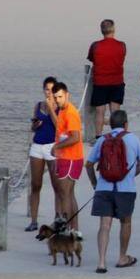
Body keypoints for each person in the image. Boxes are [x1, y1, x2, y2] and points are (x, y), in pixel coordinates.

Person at [85, 109, 140, 273]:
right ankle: (122, 257)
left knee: (104, 225)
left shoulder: (102, 140)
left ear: (110, 124)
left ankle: (101, 262)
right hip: (126, 189)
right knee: (125, 222)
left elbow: (89, 165)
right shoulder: (133, 139)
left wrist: (95, 184)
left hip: (104, 188)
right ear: (126, 124)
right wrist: (131, 176)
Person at [49, 81, 84, 235]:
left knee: (65, 194)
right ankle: (75, 230)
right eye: (56, 97)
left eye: (60, 97)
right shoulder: (61, 111)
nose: (58, 100)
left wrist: (56, 147)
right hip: (66, 157)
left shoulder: (70, 112)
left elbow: (75, 137)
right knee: (69, 194)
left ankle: (67, 230)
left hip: (71, 158)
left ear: (67, 95)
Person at [26, 76, 60, 232]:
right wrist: (35, 125)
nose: (49, 92)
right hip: (37, 145)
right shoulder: (38, 105)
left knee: (56, 185)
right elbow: (32, 128)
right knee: (36, 184)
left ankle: (57, 219)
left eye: (52, 90)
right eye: (47, 89)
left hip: (52, 146)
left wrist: (51, 108)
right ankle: (33, 220)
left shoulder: (60, 107)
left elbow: (59, 125)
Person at [87, 19, 126, 139]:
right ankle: (117, 136)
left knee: (100, 111)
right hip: (116, 81)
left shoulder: (95, 45)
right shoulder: (122, 45)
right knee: (115, 111)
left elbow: (92, 59)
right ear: (113, 29)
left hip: (100, 82)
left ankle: (98, 137)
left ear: (101, 30)